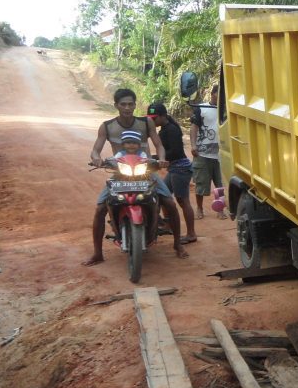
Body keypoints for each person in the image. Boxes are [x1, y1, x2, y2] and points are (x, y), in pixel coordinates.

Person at [83, 88, 188, 266]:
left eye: (131, 104)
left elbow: (158, 145)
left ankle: (178, 244)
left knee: (169, 203)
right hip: (120, 174)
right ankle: (97, 253)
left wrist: (161, 159)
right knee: (101, 208)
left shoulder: (146, 123)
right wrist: (96, 159)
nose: (127, 108)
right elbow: (96, 149)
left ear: (135, 104)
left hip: (146, 172)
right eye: (123, 104)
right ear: (116, 105)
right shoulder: (107, 126)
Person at [147, 102, 197, 243]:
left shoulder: (171, 130)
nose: (152, 121)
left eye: (154, 118)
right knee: (161, 194)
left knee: (183, 201)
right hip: (175, 168)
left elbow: (175, 152)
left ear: (163, 116)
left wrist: (156, 159)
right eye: (150, 118)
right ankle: (168, 224)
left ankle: (191, 234)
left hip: (180, 168)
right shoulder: (164, 129)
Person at [190, 82, 226, 220]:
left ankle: (220, 209)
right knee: (200, 183)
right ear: (212, 94)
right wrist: (193, 145)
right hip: (202, 153)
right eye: (218, 93)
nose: (221, 96)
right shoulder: (201, 108)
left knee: (220, 184)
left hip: (220, 153)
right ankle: (199, 208)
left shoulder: (225, 110)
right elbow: (194, 127)